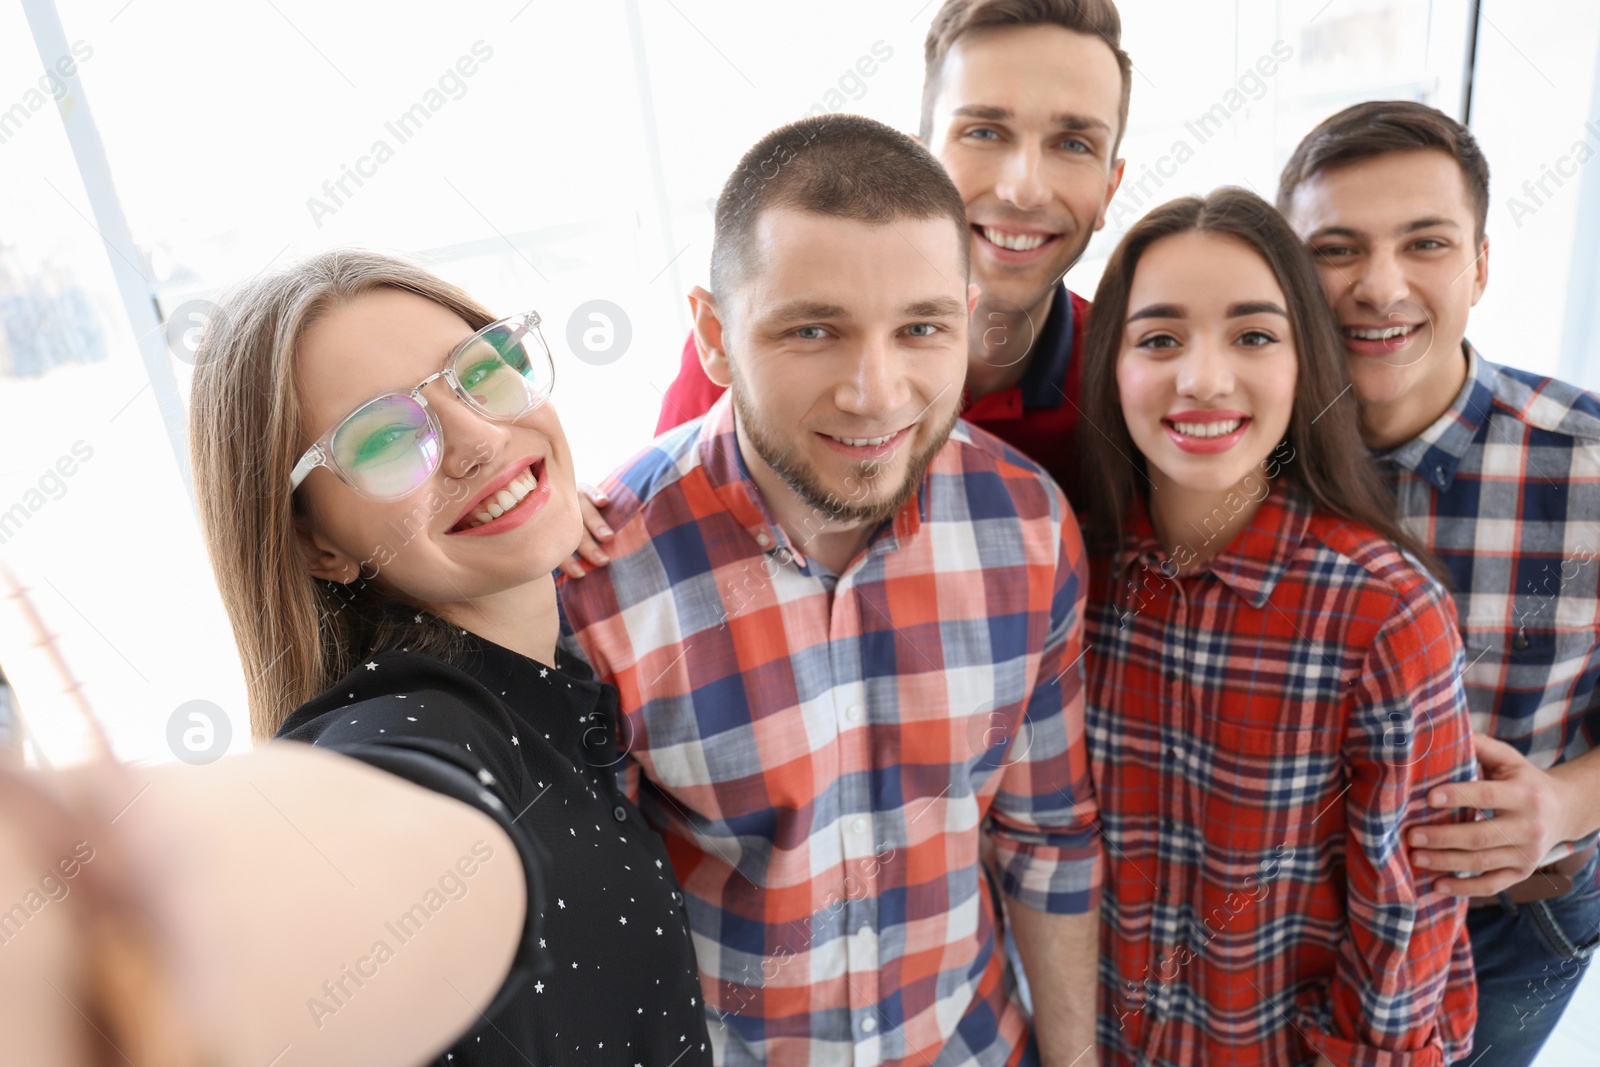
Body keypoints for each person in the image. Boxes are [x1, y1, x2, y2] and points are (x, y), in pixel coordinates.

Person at [0, 250, 714, 1066]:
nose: (479, 438)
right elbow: (360, 839)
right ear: (318, 543)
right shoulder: (419, 723)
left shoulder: (565, 668)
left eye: (484, 372)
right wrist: (97, 924)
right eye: (384, 439)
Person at [558, 114, 1102, 1067]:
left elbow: (1047, 839)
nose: (877, 392)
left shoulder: (1031, 527)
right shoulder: (598, 576)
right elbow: (599, 932)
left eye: (922, 328)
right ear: (716, 337)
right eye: (814, 329)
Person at [1077, 188, 1478, 1066]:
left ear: (1305, 365)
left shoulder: (1383, 611)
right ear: (1112, 363)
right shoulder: (1074, 581)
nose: (1205, 379)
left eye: (1254, 335)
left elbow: (1406, 919)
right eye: (1159, 339)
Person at [564, 0, 1132, 578]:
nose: (1022, 189)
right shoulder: (757, 344)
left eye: (1074, 144)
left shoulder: (1130, 378)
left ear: (1111, 188)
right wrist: (563, 524)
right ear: (922, 160)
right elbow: (670, 519)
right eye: (984, 131)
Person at [1278, 100, 1600, 1066]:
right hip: (1279, 915)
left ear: (1480, 265)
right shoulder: (1224, 452)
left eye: (1425, 242)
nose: (1381, 287)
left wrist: (1565, 805)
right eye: (1336, 248)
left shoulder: (1589, 463)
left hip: (1509, 922)